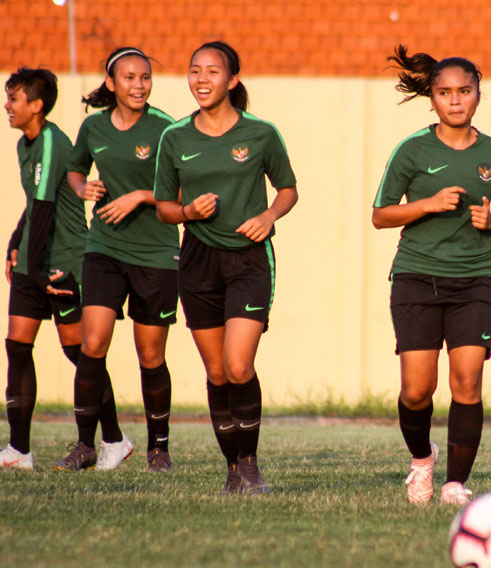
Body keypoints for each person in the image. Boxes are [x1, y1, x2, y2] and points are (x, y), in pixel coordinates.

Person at [373, 46, 491, 505]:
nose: (455, 100)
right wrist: (427, 205)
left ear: (478, 94)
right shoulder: (412, 149)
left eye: (464, 91)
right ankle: (422, 460)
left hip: (474, 280)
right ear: (432, 98)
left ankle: (456, 483)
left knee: (467, 382)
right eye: (444, 92)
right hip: (416, 277)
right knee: (417, 391)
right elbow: (380, 215)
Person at [154, 41, 298, 494]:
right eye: (194, 70)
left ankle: (251, 465)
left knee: (239, 366)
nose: (201, 79)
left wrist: (268, 217)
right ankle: (232, 472)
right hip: (197, 260)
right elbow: (163, 207)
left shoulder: (260, 133)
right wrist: (187, 213)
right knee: (216, 374)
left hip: (249, 259)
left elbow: (289, 189)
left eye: (212, 71)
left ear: (232, 80)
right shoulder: (174, 137)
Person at [55, 47, 178, 472]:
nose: (139, 85)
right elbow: (74, 169)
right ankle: (85, 446)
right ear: (111, 83)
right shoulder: (93, 127)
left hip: (157, 252)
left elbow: (182, 194)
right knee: (92, 343)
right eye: (129, 78)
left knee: (150, 355)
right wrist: (82, 187)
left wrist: (141, 196)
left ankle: (157, 449)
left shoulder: (167, 129)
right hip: (103, 249)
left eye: (145, 77)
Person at [0, 68, 90, 470]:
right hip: (34, 263)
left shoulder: (53, 142)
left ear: (37, 105)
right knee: (18, 345)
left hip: (64, 262)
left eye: (14, 98)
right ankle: (19, 450)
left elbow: (49, 208)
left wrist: (36, 271)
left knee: (79, 353)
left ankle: (113, 439)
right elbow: (33, 204)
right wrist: (14, 244)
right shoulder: (25, 143)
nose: (7, 105)